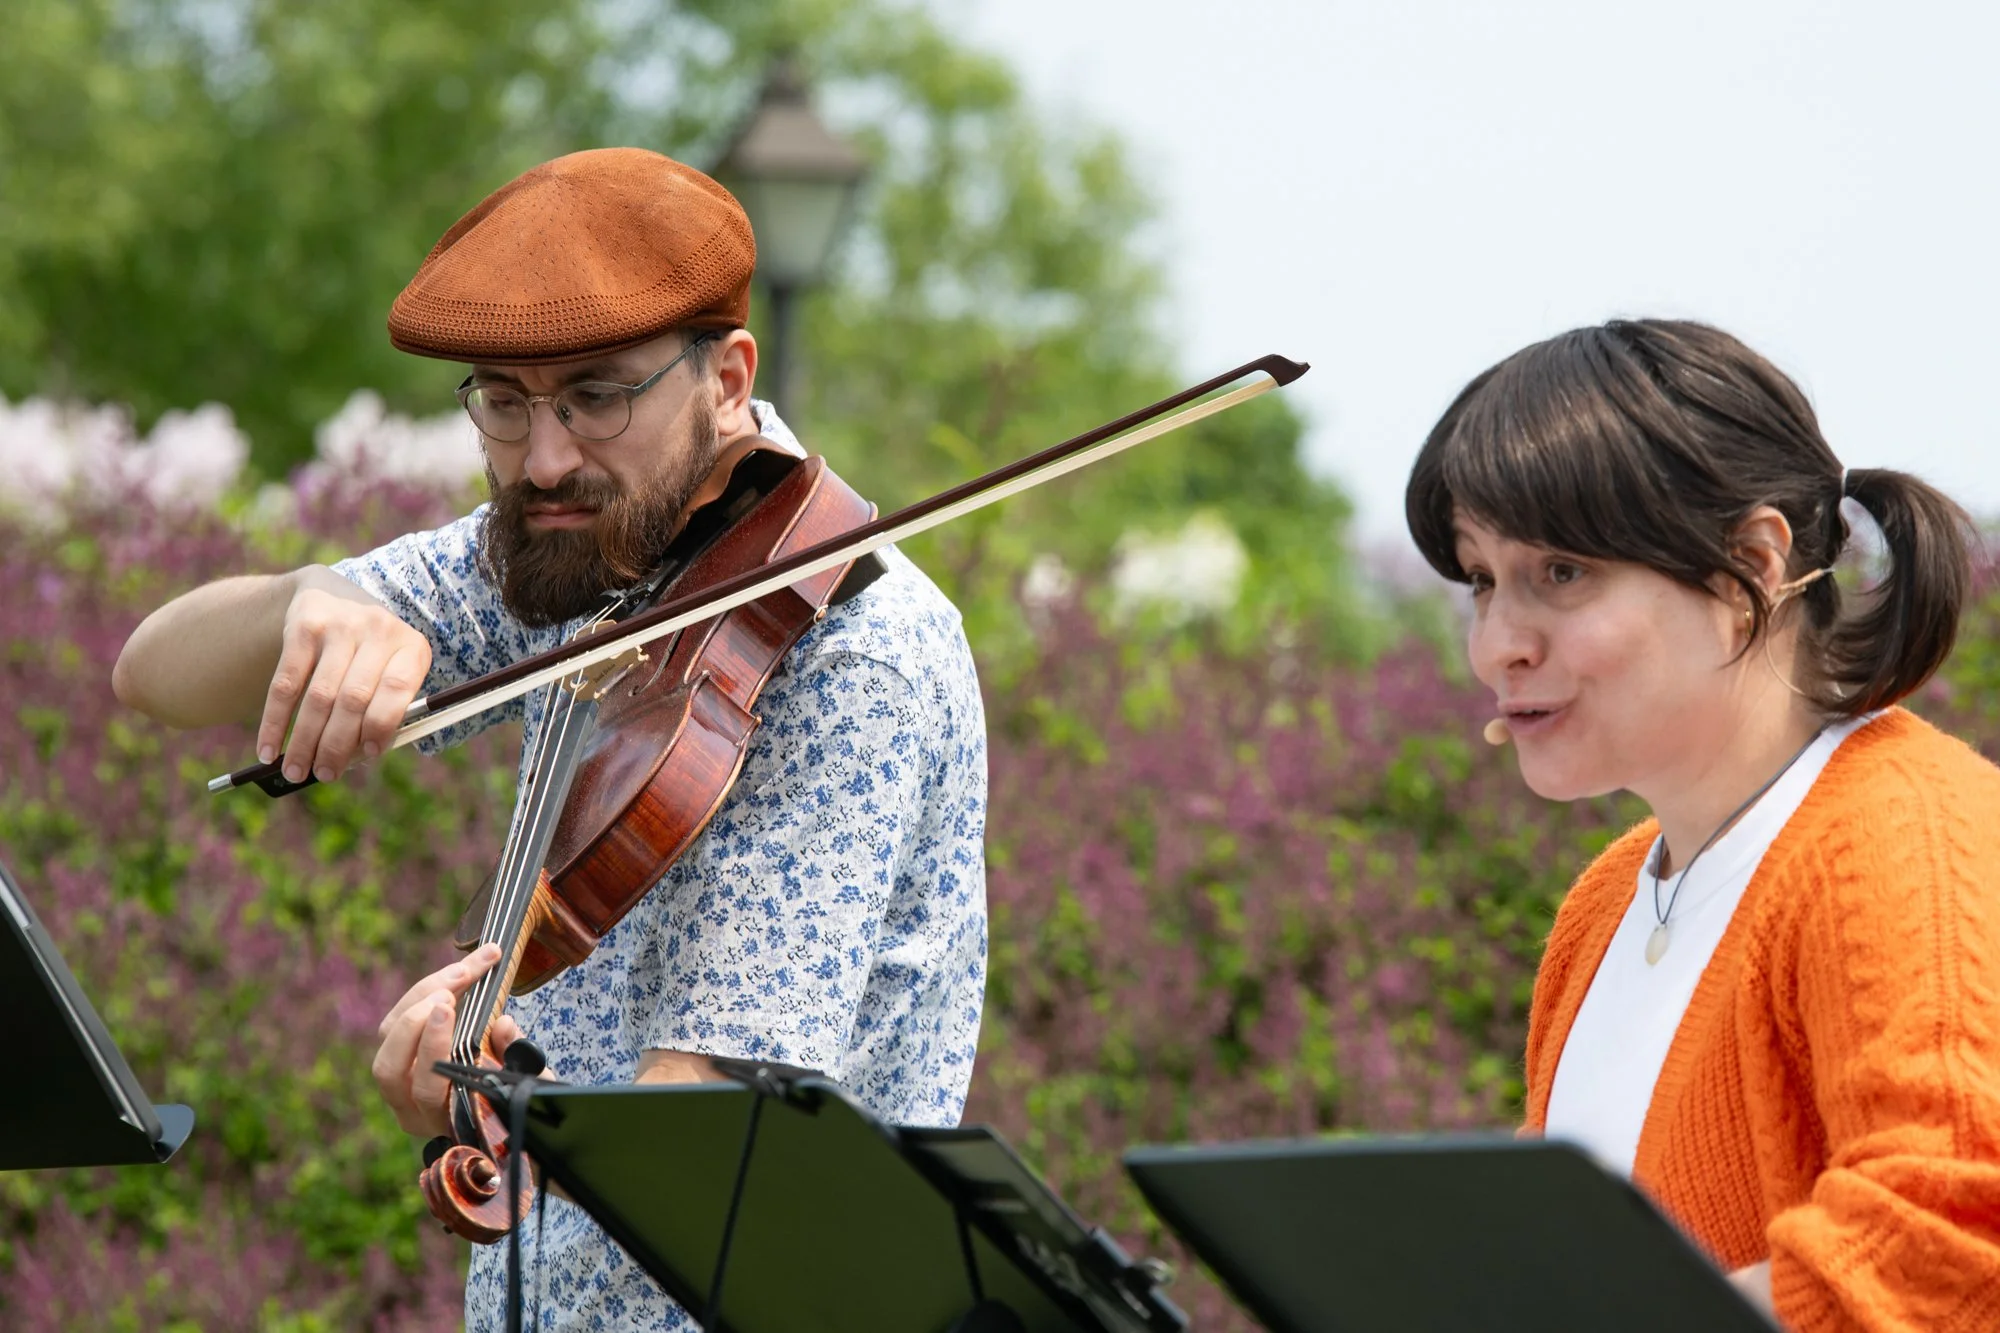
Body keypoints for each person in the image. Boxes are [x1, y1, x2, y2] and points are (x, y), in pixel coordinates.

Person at [112, 148, 990, 1331]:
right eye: (503, 401)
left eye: (596, 393)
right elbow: (154, 672)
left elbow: (706, 1137)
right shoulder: (579, 545)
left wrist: (492, 1110)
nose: (545, 457)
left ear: (727, 378)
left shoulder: (849, 658)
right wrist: (317, 596)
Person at [1405, 318, 2000, 1331]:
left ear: (1752, 566)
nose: (1497, 643)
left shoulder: (1904, 835)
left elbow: (1949, 1234)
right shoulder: (1607, 898)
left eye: (1560, 572)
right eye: (1479, 581)